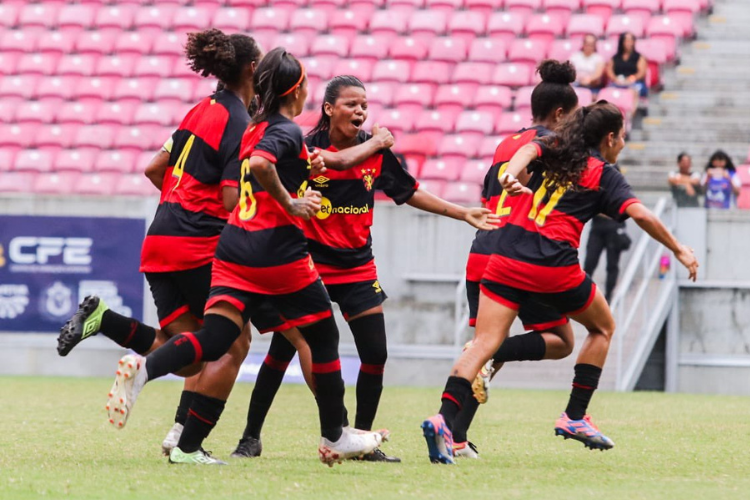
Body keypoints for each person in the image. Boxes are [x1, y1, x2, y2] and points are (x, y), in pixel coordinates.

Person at [102, 48, 388, 467]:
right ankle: (336, 434)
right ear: (300, 90)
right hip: (275, 252)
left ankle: (144, 368)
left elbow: (302, 164)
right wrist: (291, 205)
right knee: (323, 336)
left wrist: (300, 188)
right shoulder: (285, 131)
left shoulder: (252, 126)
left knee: (217, 337)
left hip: (234, 247)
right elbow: (260, 164)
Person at [231, 75, 499, 463]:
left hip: (357, 265)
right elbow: (286, 184)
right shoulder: (306, 149)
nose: (360, 111)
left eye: (363, 105)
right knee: (282, 351)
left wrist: (461, 213)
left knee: (375, 354)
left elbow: (408, 191)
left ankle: (361, 442)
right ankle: (250, 437)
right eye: (351, 104)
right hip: (310, 264)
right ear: (327, 108)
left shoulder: (375, 152)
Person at [422, 100, 699, 464]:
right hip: (553, 266)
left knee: (482, 344)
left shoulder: (553, 148)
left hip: (503, 259)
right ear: (611, 137)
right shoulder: (602, 172)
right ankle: (574, 415)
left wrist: (510, 175)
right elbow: (641, 214)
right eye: (623, 138)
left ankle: (442, 420)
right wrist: (679, 249)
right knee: (603, 327)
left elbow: (525, 150)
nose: (623, 145)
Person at [56, 28, 264, 451]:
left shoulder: (197, 110)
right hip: (198, 242)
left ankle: (106, 322)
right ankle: (187, 437)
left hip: (160, 236)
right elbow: (229, 197)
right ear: (253, 69)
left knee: (188, 348)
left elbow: (155, 169)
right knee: (233, 340)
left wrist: (180, 204)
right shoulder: (239, 121)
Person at [452, 59, 579, 459]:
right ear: (560, 113)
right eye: (573, 117)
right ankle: (494, 356)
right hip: (523, 255)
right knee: (561, 342)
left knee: (482, 349)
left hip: (482, 251)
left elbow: (492, 198)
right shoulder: (552, 145)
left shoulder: (506, 144)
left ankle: (454, 437)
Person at [583, 166, 631, 303]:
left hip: (614, 231)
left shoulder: (621, 190)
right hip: (598, 229)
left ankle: (608, 297)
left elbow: (625, 209)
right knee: (590, 263)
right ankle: (585, 295)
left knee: (612, 265)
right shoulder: (597, 189)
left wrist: (603, 210)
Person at [605, 32, 648, 100]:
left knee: (632, 92)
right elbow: (609, 71)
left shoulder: (639, 57)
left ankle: (631, 110)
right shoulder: (615, 58)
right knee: (608, 91)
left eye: (631, 40)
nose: (629, 43)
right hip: (618, 82)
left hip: (634, 82)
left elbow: (642, 72)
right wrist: (615, 79)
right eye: (627, 40)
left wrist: (632, 78)